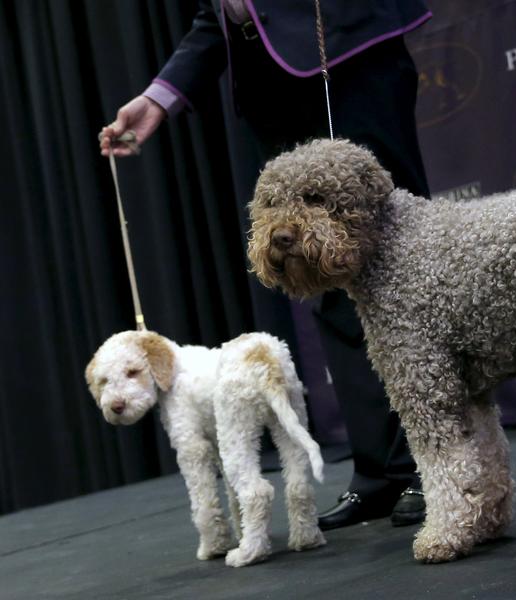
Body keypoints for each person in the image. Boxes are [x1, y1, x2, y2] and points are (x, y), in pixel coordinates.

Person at [99, 0, 432, 530]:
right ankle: (383, 470)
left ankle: (432, 463)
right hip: (270, 83)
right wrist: (158, 99)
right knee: (316, 268)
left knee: (396, 260)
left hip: (346, 57)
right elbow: (222, 16)